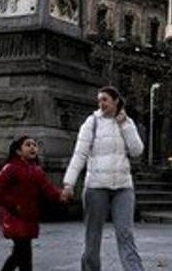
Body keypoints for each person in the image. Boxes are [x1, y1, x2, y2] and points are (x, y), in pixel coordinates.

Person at [62, 86, 145, 271]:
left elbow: (137, 151)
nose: (101, 104)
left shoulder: (127, 122)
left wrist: (125, 125)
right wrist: (69, 184)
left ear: (116, 101)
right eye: (99, 100)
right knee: (93, 236)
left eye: (105, 99)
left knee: (126, 234)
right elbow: (79, 155)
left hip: (123, 187)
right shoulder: (91, 123)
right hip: (96, 187)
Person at [0, 136, 67, 271]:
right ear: (18, 151)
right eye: (28, 145)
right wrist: (12, 205)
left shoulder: (36, 170)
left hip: (29, 217)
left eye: (34, 145)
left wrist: (60, 195)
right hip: (16, 217)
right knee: (22, 253)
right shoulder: (11, 168)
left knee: (21, 254)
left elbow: (47, 188)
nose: (32, 147)